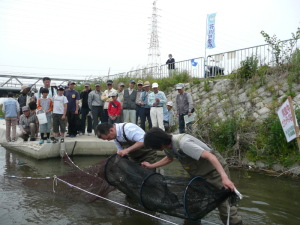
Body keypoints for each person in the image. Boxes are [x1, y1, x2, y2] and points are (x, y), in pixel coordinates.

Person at [142, 128, 243, 225]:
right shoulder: (168, 147)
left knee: (224, 206)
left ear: (160, 143)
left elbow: (210, 156)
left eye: (153, 147)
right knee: (193, 205)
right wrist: (151, 165)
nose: (154, 149)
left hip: (215, 172)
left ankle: (235, 223)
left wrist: (224, 178)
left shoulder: (184, 144)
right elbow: (169, 159)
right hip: (198, 176)